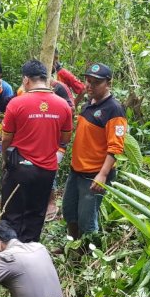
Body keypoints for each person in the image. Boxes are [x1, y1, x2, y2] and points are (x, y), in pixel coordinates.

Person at [1, 60, 72, 243]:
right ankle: (30, 254)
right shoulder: (63, 105)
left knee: (13, 215)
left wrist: (5, 158)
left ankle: (11, 257)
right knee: (36, 215)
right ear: (46, 79)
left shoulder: (16, 104)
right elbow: (65, 139)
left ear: (26, 80)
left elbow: (6, 139)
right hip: (47, 170)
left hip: (21, 167)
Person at [63, 63, 127, 246]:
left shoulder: (114, 110)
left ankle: (88, 257)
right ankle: (72, 247)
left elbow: (116, 147)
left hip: (93, 175)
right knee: (69, 211)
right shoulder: (88, 104)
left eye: (96, 83)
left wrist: (102, 175)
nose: (89, 86)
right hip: (76, 170)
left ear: (108, 83)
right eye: (88, 81)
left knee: (87, 220)